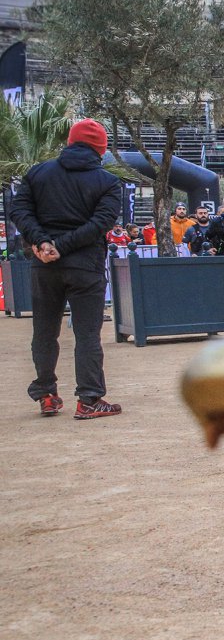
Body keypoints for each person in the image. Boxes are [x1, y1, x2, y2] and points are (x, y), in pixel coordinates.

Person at [12, 118, 123, 418]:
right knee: (87, 333)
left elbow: (18, 209)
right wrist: (63, 245)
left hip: (44, 265)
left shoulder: (37, 173)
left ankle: (46, 394)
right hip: (85, 265)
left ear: (70, 142)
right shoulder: (108, 182)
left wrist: (42, 241)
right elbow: (101, 223)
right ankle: (89, 399)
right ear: (101, 149)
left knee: (44, 331)